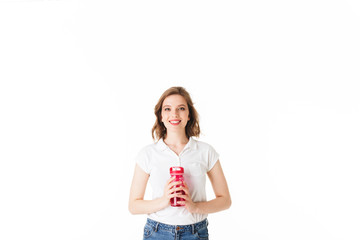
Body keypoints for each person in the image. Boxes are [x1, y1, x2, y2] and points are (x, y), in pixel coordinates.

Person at [128, 86, 231, 240]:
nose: (174, 114)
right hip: (157, 232)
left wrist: (195, 207)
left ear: (189, 115)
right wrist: (164, 200)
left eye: (181, 108)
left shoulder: (205, 151)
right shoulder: (147, 154)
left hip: (196, 232)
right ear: (161, 116)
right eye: (167, 109)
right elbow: (133, 206)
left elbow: (225, 200)